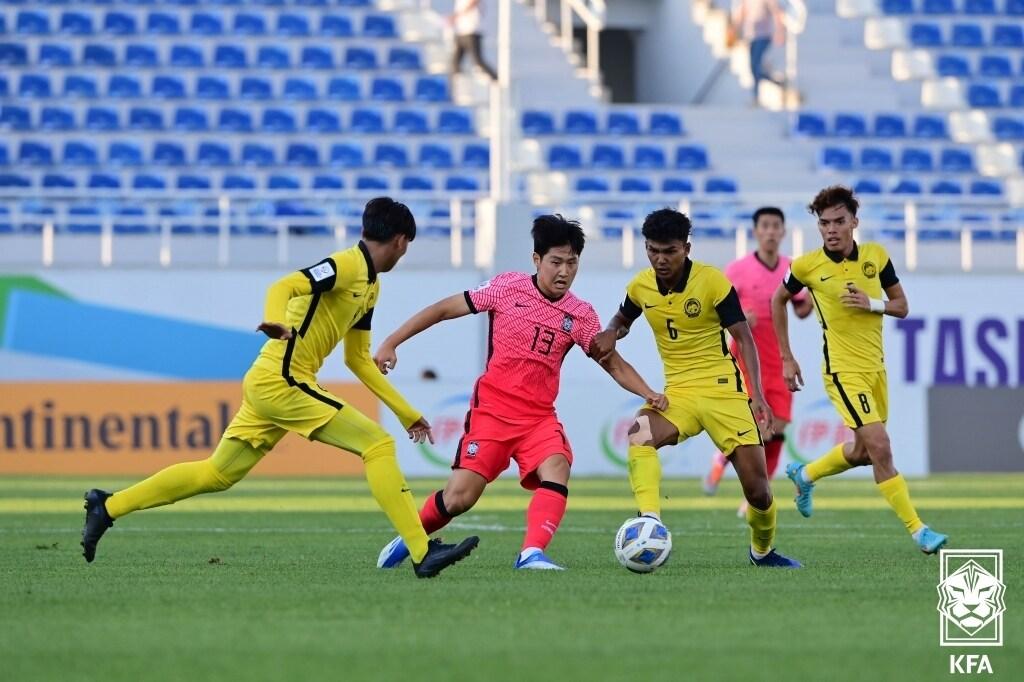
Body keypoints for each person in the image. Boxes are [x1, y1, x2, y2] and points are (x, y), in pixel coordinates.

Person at [80, 197, 479, 578]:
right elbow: (283, 287)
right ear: (401, 241)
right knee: (377, 445)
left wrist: (406, 412)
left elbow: (357, 358)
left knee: (217, 474)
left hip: (273, 384)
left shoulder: (370, 287)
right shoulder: (346, 266)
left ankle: (108, 506)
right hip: (281, 381)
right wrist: (274, 320)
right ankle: (422, 551)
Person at [374, 215, 667, 570]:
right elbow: (442, 310)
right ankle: (411, 536)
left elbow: (612, 363)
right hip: (493, 414)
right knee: (459, 498)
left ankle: (531, 553)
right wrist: (391, 342)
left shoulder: (581, 314)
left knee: (557, 467)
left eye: (572, 263)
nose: (564, 271)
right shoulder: (506, 288)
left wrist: (648, 392)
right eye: (556, 262)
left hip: (538, 419)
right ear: (536, 260)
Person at [592, 208, 801, 568]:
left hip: (724, 391)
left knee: (759, 492)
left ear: (686, 248)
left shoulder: (713, 282)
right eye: (653, 250)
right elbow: (622, 319)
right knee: (639, 433)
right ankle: (651, 520)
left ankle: (762, 551)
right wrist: (612, 330)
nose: (660, 259)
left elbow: (744, 338)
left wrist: (758, 396)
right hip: (679, 394)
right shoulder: (640, 286)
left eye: (669, 251)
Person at [771, 185, 948, 554]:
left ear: (854, 221)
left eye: (838, 221)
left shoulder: (876, 257)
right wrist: (786, 356)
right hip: (842, 371)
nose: (831, 229)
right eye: (824, 223)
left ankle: (805, 475)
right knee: (881, 447)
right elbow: (779, 298)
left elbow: (902, 306)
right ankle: (919, 531)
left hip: (875, 370)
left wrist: (872, 304)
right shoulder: (806, 266)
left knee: (863, 452)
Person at [703, 207, 814, 515]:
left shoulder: (791, 267)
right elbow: (716, 313)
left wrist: (819, 294)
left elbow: (802, 309)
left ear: (783, 232)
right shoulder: (736, 270)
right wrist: (738, 320)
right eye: (764, 225)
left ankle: (753, 493)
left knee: (777, 430)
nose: (770, 231)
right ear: (756, 231)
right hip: (745, 359)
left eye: (776, 226)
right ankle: (723, 463)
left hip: (779, 359)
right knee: (752, 426)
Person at [732, 0, 785, 104]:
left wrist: (780, 31)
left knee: (755, 65)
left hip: (763, 36)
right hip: (751, 36)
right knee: (753, 67)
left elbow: (777, 12)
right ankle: (773, 81)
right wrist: (735, 29)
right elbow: (742, 13)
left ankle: (756, 97)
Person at [451, 0, 497, 86]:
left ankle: (495, 79)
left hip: (472, 31)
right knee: (455, 63)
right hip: (461, 31)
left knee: (477, 61)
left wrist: (457, 16)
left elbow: (474, 2)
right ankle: (458, 87)